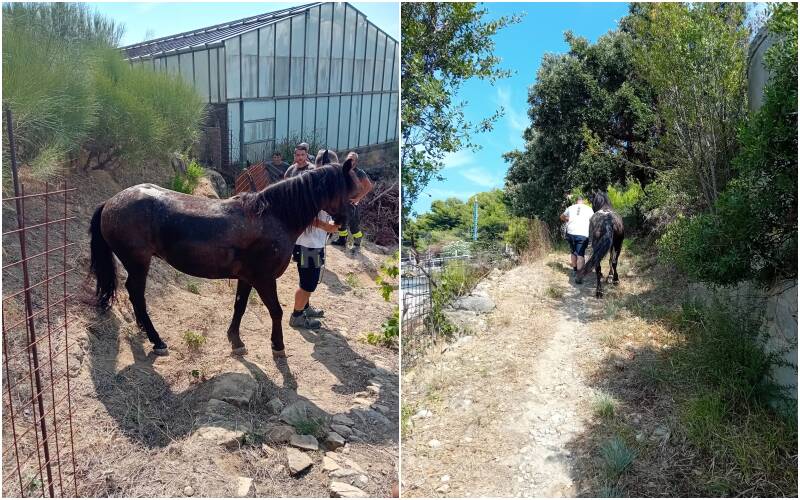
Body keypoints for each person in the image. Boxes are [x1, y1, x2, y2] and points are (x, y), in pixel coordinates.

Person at [284, 145, 340, 328]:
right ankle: (297, 315)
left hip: (309, 241)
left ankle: (305, 307)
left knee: (306, 277)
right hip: (309, 243)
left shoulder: (316, 182)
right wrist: (327, 227)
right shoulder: (315, 187)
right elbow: (304, 214)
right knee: (308, 283)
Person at [331, 152, 373, 253]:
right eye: (349, 158)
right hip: (342, 202)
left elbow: (368, 186)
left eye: (353, 159)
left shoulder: (359, 173)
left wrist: (358, 198)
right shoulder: (342, 170)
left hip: (353, 204)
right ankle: (342, 241)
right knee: (341, 223)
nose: (350, 161)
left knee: (353, 225)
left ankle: (357, 244)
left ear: (356, 162)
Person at [560, 195, 594, 283]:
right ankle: (579, 275)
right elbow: (593, 220)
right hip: (582, 234)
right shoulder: (589, 209)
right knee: (580, 255)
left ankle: (575, 271)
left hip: (570, 233)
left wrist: (568, 219)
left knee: (573, 252)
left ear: (576, 201)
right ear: (583, 201)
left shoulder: (570, 207)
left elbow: (562, 217)